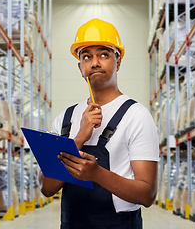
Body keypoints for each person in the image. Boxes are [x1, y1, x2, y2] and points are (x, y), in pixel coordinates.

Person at [39, 18, 159, 229]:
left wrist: (96, 173)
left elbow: (147, 194)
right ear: (80, 67)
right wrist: (79, 138)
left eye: (104, 54)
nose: (94, 62)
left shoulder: (136, 116)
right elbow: (47, 188)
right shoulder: (65, 118)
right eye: (86, 56)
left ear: (118, 61)